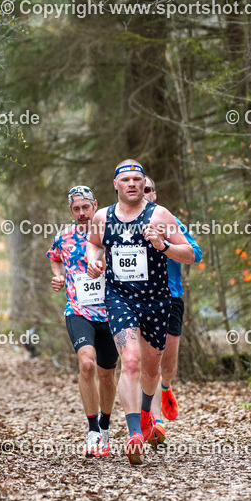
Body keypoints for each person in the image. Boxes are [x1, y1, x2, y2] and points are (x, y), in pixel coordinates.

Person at [86, 161, 195, 466]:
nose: (132, 184)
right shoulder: (102, 216)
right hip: (120, 297)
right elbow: (93, 245)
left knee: (150, 370)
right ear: (115, 184)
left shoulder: (160, 215)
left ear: (143, 183)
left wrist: (162, 246)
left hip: (157, 300)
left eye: (137, 179)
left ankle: (147, 413)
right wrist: (93, 262)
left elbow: (190, 254)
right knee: (130, 361)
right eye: (126, 179)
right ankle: (135, 434)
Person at [47, 185, 118, 457]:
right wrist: (59, 276)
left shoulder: (111, 234)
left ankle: (106, 425)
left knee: (107, 374)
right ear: (71, 210)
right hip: (78, 310)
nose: (81, 213)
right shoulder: (63, 237)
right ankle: (92, 429)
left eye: (86, 207)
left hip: (111, 313)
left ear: (95, 205)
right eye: (76, 209)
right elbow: (54, 258)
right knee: (87, 363)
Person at [143, 176, 203, 442]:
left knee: (167, 364)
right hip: (138, 300)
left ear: (154, 194)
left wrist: (165, 245)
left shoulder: (167, 220)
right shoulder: (118, 223)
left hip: (171, 297)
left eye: (146, 189)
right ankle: (155, 422)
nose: (141, 193)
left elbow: (196, 253)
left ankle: (166, 388)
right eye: (135, 187)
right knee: (146, 363)